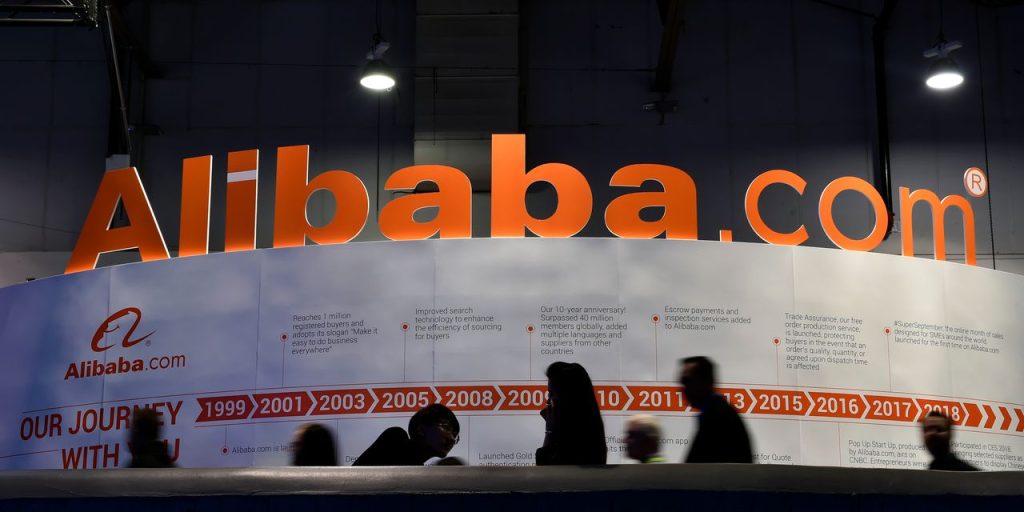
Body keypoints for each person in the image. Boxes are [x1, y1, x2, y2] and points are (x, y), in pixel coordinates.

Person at [678, 356, 752, 463]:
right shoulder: (717, 410)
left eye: (687, 381)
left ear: (706, 381)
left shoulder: (716, 415)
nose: (683, 389)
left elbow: (696, 464)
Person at [536, 361, 607, 465]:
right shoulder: (594, 435)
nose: (548, 401)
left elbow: (545, 472)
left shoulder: (575, 445)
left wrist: (549, 432)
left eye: (552, 394)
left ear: (568, 398)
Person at [353, 403, 461, 465]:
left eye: (455, 435)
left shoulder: (418, 471)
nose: (452, 439)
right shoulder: (395, 437)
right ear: (421, 429)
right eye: (446, 427)